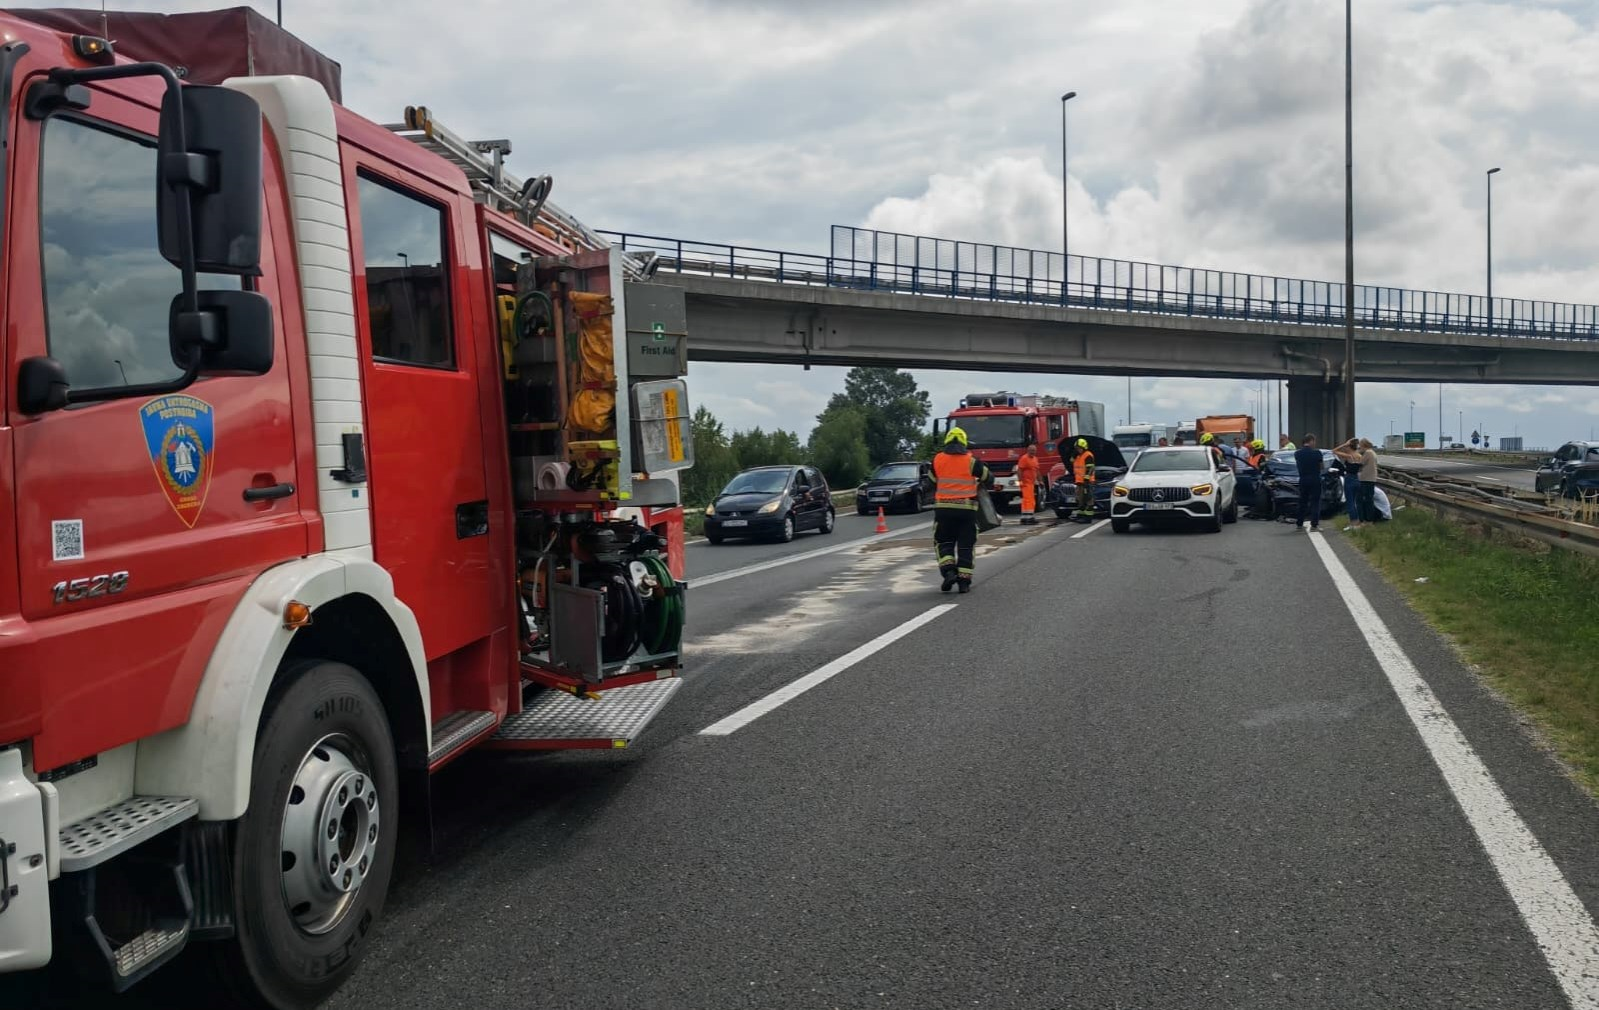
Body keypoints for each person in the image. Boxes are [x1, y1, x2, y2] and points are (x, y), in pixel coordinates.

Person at [932, 426, 992, 593]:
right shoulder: (971, 461)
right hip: (967, 510)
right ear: (964, 443)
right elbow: (989, 478)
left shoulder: (937, 459)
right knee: (966, 545)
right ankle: (964, 582)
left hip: (943, 510)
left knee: (943, 542)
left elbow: (930, 481)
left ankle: (949, 572)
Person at [1293, 434, 1324, 531]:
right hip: (1315, 479)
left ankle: (1299, 524)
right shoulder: (1317, 453)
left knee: (1303, 501)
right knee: (1315, 502)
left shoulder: (1297, 454)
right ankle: (1314, 525)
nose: (1315, 443)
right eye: (1314, 441)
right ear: (1311, 441)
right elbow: (1322, 466)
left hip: (1303, 479)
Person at [1333, 438, 1363, 528]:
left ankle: (1353, 522)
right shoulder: (1359, 456)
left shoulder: (1349, 456)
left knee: (1350, 502)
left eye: (1347, 447)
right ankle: (1359, 520)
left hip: (1349, 479)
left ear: (1349, 447)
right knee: (1357, 501)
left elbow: (1334, 451)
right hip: (1357, 479)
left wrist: (1344, 444)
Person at [1071, 437, 1096, 522]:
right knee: (1080, 499)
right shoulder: (1078, 456)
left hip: (1087, 482)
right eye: (1076, 448)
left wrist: (1086, 479)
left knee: (1088, 499)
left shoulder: (1088, 455)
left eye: (1079, 448)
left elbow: (1090, 468)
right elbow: (1071, 462)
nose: (1078, 450)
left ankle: (1088, 518)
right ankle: (1080, 515)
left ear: (1083, 447)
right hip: (1079, 482)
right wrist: (1073, 454)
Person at [1016, 443, 1040, 525]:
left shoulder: (1035, 459)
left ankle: (1025, 518)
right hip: (1026, 483)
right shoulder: (1024, 458)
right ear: (1028, 450)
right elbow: (1019, 470)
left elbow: (1037, 470)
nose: (1032, 452)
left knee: (1028, 500)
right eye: (1031, 450)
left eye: (1034, 450)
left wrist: (1040, 481)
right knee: (1029, 500)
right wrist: (1020, 481)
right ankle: (1029, 518)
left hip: (1031, 483)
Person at [1357, 438, 1379, 522]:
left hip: (1366, 479)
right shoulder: (1373, 452)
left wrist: (1358, 453)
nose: (1359, 447)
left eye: (1360, 445)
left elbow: (1360, 463)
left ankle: (1365, 519)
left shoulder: (1368, 453)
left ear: (1363, 445)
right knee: (1369, 499)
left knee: (1362, 499)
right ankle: (1369, 519)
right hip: (1371, 479)